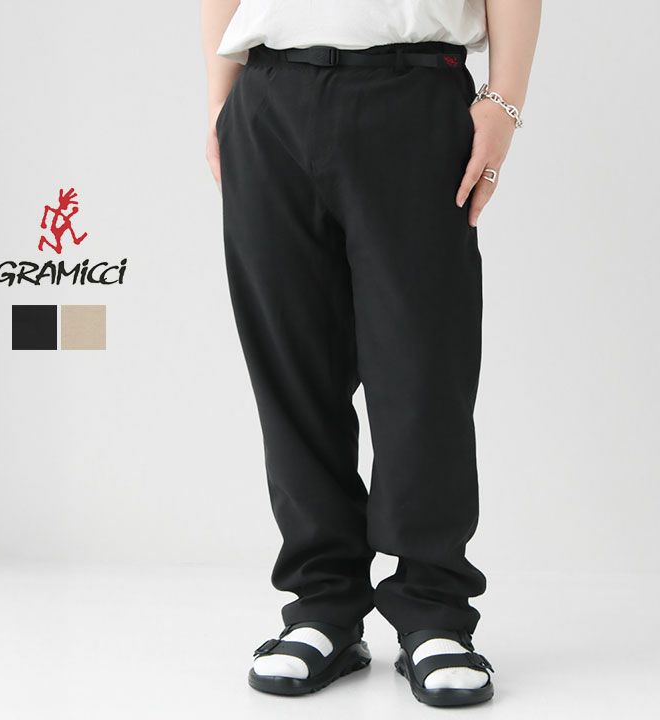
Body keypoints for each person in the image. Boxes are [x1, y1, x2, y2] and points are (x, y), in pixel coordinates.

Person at [201, 0, 541, 707]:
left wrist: (504, 101)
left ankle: (434, 611)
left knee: (422, 368)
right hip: (267, 96)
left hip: (414, 92)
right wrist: (220, 105)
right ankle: (322, 607)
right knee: (292, 369)